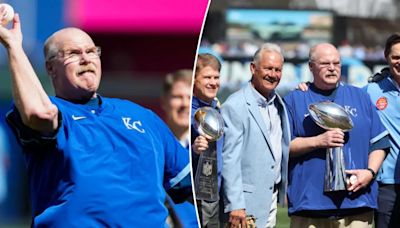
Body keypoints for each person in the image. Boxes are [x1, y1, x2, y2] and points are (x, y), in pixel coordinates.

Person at [0, 14, 191, 227]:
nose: (86, 59)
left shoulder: (142, 116)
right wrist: (13, 46)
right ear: (50, 68)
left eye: (92, 51)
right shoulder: (57, 112)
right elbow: (40, 113)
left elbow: (192, 186)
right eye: (73, 53)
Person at [284, 43, 389, 228]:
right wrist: (318, 141)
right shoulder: (295, 99)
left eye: (336, 63)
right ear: (310, 67)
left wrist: (370, 172)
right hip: (310, 204)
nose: (332, 68)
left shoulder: (360, 96)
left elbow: (379, 143)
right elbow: (283, 147)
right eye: (325, 63)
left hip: (357, 202)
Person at [220, 43, 290, 228]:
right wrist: (236, 204)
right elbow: (230, 159)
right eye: (268, 68)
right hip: (244, 204)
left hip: (270, 197)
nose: (273, 74)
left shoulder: (279, 104)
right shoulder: (235, 105)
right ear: (253, 68)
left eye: (278, 70)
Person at [365, 33, 400, 228]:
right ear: (387, 57)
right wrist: (307, 87)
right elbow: (342, 98)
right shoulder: (372, 90)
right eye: (396, 57)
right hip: (387, 185)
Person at [161, 69, 198, 227]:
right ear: (164, 101)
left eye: (190, 98)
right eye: (178, 97)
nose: (184, 104)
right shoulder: (150, 145)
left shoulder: (211, 147)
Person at [191, 53, 222, 227]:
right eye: (207, 77)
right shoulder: (186, 113)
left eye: (216, 77)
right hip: (198, 197)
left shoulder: (219, 109)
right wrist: (194, 151)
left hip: (220, 194)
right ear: (194, 80)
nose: (213, 82)